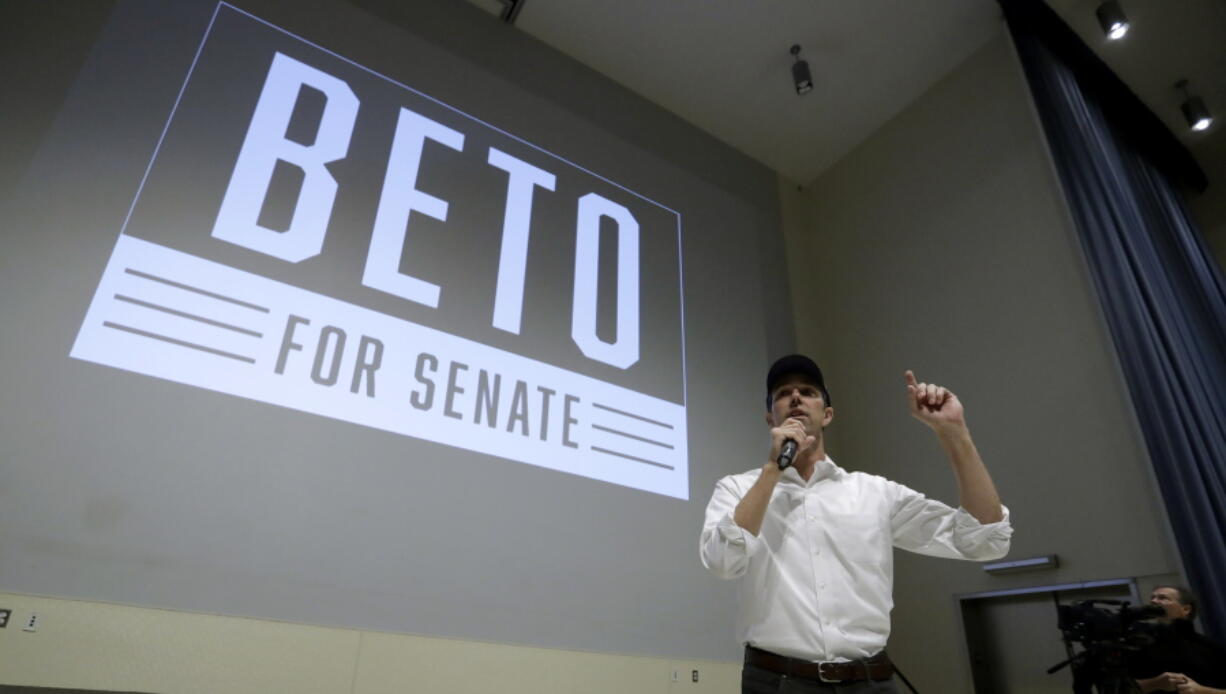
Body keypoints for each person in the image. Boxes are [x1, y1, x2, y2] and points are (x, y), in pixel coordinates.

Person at [700, 354, 1012, 693]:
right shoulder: (737, 488)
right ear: (769, 416)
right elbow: (722, 563)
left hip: (869, 682)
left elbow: (984, 541)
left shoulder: (875, 493)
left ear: (828, 414)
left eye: (808, 391)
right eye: (782, 394)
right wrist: (772, 470)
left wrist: (955, 433)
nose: (795, 397)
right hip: (777, 681)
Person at [1131, 585, 1226, 693]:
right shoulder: (1140, 645)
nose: (1154, 601)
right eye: (1152, 598)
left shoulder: (1211, 648)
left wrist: (1202, 690)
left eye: (1162, 598)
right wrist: (1152, 684)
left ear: (1186, 609)